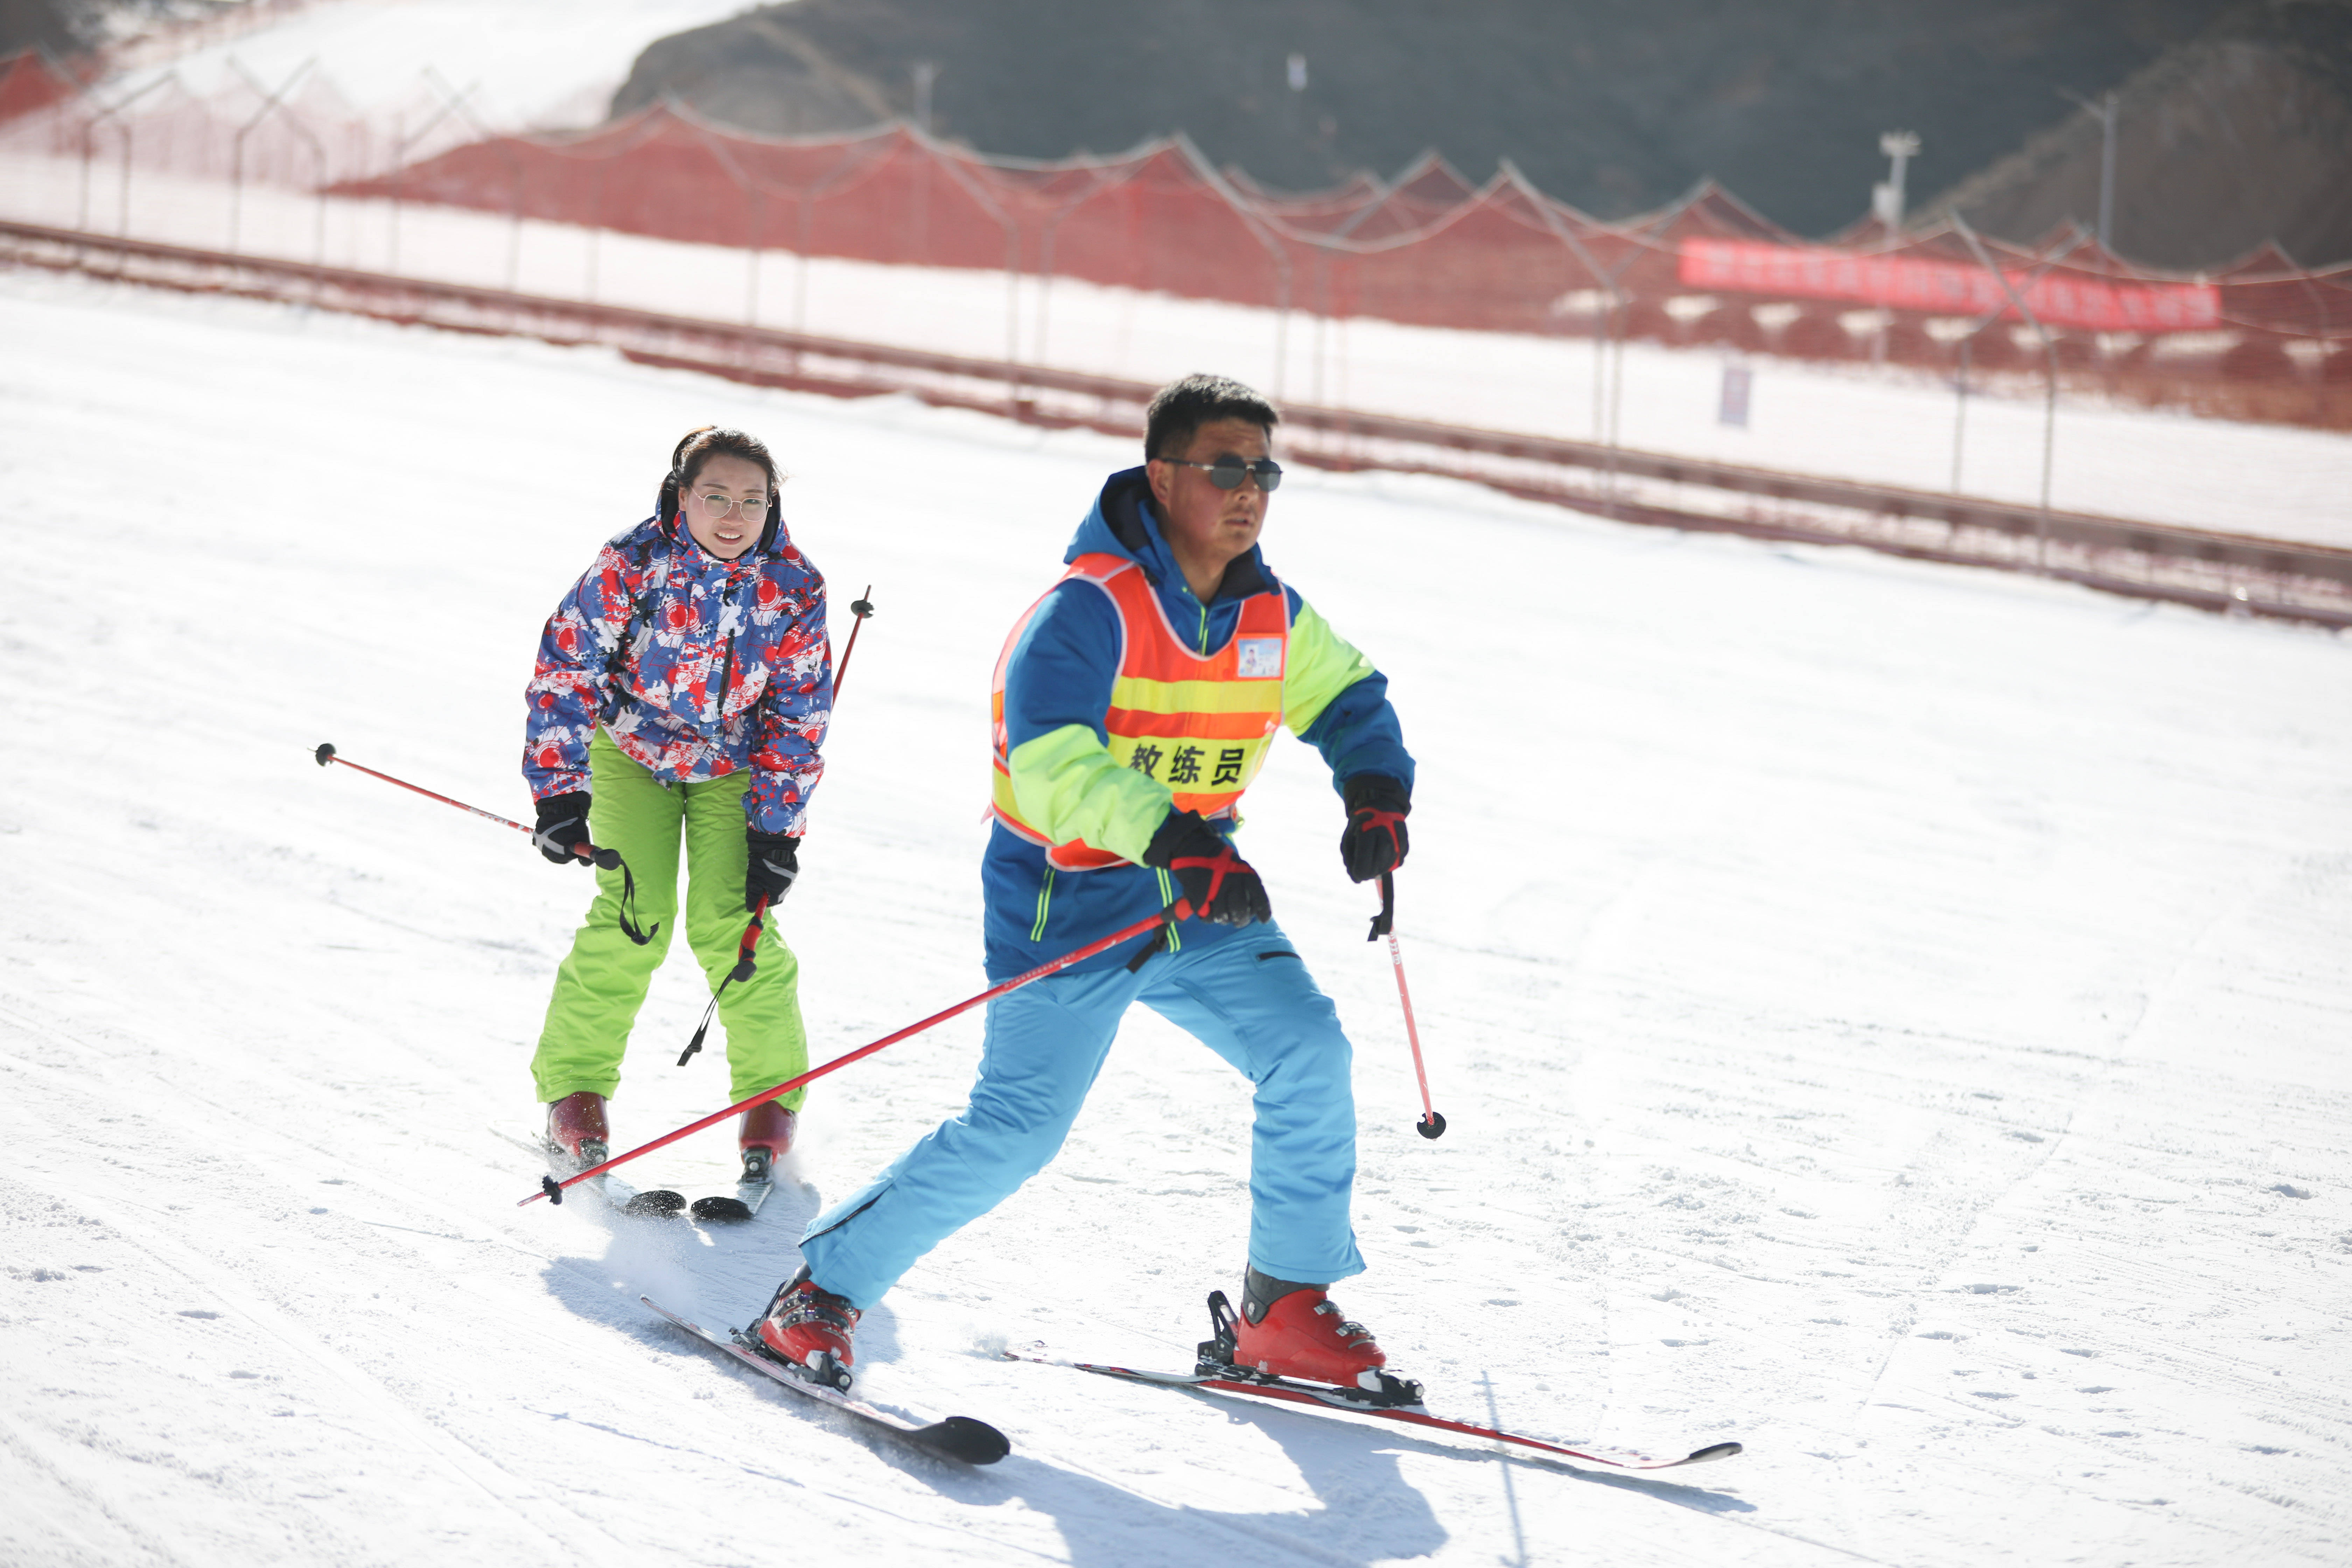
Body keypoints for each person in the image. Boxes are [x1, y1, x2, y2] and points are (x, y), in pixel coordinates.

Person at [756, 374, 1416, 1397]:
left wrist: (1375, 787)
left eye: (1265, 472)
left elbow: (1346, 692)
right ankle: (819, 1294)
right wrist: (1172, 836)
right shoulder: (1086, 611)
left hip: (1197, 898)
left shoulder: (1270, 614)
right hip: (1069, 900)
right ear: (1162, 476)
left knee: (1309, 1052)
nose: (1250, 492)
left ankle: (1280, 1308)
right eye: (1226, 468)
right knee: (1017, 1132)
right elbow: (1051, 760)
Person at [523, 426, 831, 1186]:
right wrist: (561, 792)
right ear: (681, 496)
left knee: (737, 922)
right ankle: (575, 1090)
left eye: (752, 500)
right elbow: (569, 665)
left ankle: (770, 1103)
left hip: (734, 763)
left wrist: (777, 828)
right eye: (716, 496)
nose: (734, 515)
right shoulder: (633, 564)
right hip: (633, 752)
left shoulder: (795, 585)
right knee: (637, 913)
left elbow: (799, 713)